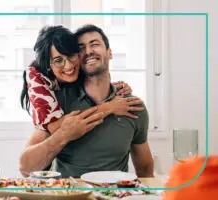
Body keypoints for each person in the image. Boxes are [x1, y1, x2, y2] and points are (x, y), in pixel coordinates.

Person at [19, 25, 154, 178]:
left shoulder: (132, 105)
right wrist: (63, 135)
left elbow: (145, 167)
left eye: (95, 44)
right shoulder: (57, 101)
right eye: (81, 47)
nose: (89, 51)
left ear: (110, 53)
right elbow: (25, 168)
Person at [20, 25, 143, 134]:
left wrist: (116, 87)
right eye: (58, 61)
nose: (69, 66)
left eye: (71, 55)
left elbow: (96, 80)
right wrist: (109, 107)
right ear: (48, 65)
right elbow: (55, 127)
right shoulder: (36, 77)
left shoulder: (80, 67)